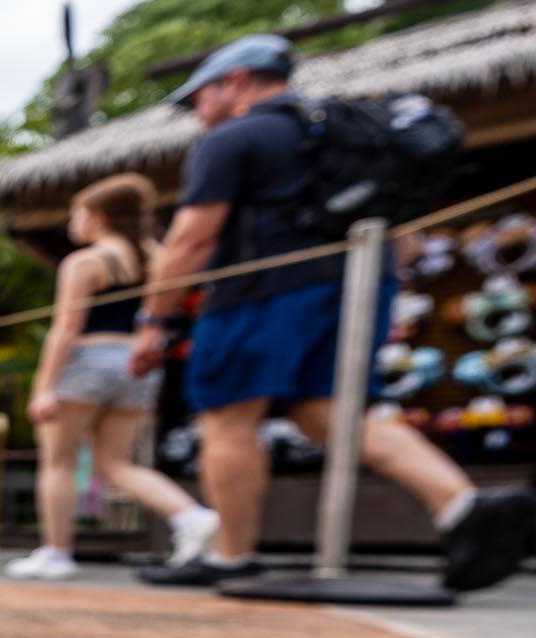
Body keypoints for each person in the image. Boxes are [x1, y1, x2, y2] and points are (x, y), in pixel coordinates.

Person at [131, 33, 534, 590]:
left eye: (198, 97)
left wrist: (154, 320)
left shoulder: (232, 139)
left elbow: (191, 239)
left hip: (259, 291)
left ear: (237, 82)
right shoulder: (333, 130)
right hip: (360, 286)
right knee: (331, 411)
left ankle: (231, 555)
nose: (196, 112)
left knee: (227, 414)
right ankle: (463, 507)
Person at [8, 173, 222, 580]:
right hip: (136, 364)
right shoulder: (160, 257)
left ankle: (56, 552)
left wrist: (44, 386)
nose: (74, 223)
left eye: (78, 213)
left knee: (58, 460)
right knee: (115, 463)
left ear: (98, 217)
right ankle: (190, 516)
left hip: (88, 359)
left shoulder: (86, 263)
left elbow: (65, 329)